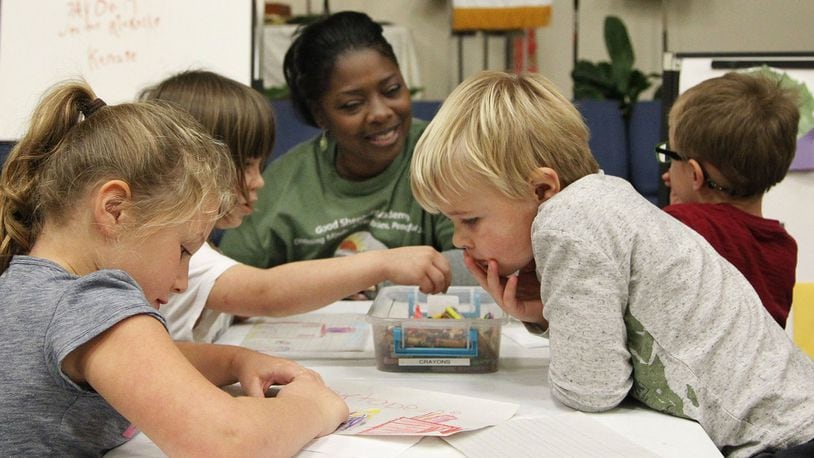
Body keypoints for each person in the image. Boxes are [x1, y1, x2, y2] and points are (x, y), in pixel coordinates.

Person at [409, 70, 814, 457]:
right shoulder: (599, 200)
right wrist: (550, 315)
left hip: (785, 441)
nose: (460, 239)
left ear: (541, 188)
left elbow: (591, 390)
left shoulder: (568, 221)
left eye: (470, 220)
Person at [0, 80, 348, 456]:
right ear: (115, 210)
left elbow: (142, 362)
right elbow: (228, 444)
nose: (182, 282)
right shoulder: (89, 301)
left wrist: (235, 361)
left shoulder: (27, 283)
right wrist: (313, 407)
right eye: (183, 249)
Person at [139, 70, 451, 343]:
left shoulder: (199, 250)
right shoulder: (187, 257)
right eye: (247, 165)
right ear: (195, 168)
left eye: (261, 165)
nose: (258, 181)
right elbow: (266, 293)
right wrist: (382, 263)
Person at [219, 11, 457, 278]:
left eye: (392, 90)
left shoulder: (445, 157)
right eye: (352, 105)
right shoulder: (282, 183)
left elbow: (473, 267)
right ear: (319, 115)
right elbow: (226, 280)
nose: (380, 113)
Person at [660, 71, 799, 328]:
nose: (667, 172)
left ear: (695, 174)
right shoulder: (783, 248)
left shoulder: (680, 228)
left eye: (671, 155)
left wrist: (672, 217)